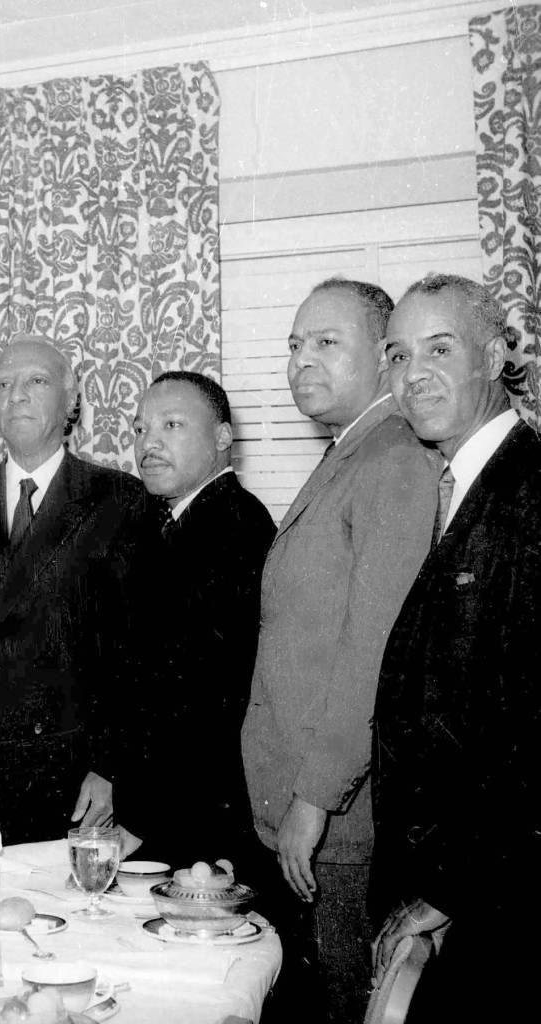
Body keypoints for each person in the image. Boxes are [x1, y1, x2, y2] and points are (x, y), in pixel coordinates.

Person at [240, 279, 440, 1023]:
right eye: (295, 344)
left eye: (327, 342)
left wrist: (315, 799)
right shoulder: (351, 452)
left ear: (386, 357)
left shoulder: (393, 458)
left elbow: (372, 654)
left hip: (338, 824)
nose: (301, 360)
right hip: (313, 815)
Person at [370, 274, 540, 1021]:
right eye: (398, 355)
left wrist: (448, 886)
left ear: (497, 356)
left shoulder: (529, 491)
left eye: (439, 349)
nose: (414, 375)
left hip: (495, 900)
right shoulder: (462, 484)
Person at [0, 335, 145, 844]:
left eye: (36, 381)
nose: (16, 395)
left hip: (71, 772)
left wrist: (110, 767)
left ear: (72, 400)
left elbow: (132, 656)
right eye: (3, 385)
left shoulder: (119, 498)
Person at [115, 371, 274, 868]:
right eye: (140, 429)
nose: (148, 444)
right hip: (164, 808)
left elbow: (203, 699)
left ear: (223, 437)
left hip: (195, 815)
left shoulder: (236, 527)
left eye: (172, 425)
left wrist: (140, 814)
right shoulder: (166, 522)